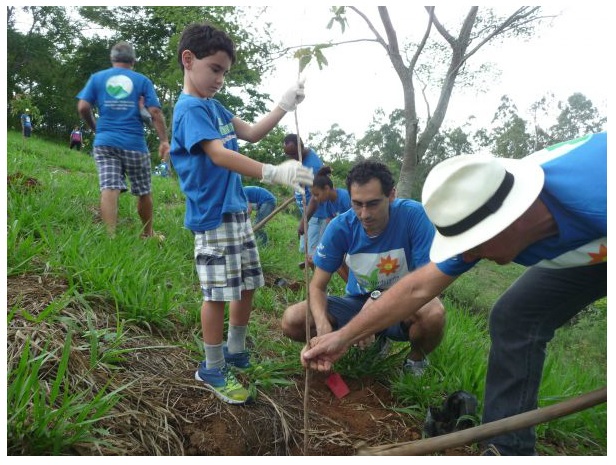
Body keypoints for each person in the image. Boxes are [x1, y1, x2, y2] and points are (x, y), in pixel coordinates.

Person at [301, 132, 607, 455]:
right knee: (515, 317)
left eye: (472, 245)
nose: (467, 256)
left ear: (505, 223)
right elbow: (417, 287)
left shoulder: (597, 195)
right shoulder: (479, 203)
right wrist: (343, 337)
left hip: (595, 227)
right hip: (586, 248)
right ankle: (507, 449)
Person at [170, 22, 312, 405]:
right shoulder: (189, 110)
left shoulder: (215, 107)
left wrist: (284, 105)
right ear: (189, 59)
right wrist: (272, 172)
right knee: (217, 294)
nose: (219, 79)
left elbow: (250, 133)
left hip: (235, 211)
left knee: (247, 283)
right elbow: (218, 154)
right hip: (212, 215)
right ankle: (211, 365)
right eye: (214, 69)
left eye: (224, 73)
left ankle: (235, 349)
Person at [283, 160, 445, 375]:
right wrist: (323, 326)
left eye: (373, 203)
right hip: (357, 303)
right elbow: (317, 286)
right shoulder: (340, 226)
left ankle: (415, 362)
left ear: (392, 195)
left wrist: (377, 297)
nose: (364, 214)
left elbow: (428, 283)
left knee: (433, 312)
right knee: (293, 320)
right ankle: (374, 340)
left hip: (404, 304)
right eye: (357, 204)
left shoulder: (414, 216)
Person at [76, 41, 170, 238]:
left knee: (109, 186)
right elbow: (154, 111)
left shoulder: (98, 78)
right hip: (134, 144)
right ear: (133, 61)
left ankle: (110, 236)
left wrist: (96, 128)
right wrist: (163, 140)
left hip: (105, 142)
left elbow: (83, 107)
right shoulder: (142, 80)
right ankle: (148, 233)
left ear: (112, 59)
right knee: (143, 191)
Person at [297, 165, 351, 281]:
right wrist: (322, 245)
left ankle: (355, 285)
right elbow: (331, 224)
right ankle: (352, 286)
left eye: (316, 194)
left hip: (353, 237)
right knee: (335, 260)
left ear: (326, 189)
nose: (315, 198)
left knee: (343, 259)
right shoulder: (326, 203)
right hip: (345, 237)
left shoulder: (346, 198)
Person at [283, 134, 331, 260]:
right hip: (308, 214)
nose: (291, 158)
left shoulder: (312, 168)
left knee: (313, 253)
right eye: (288, 155)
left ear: (300, 148)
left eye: (293, 154)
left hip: (316, 215)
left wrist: (303, 222)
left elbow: (315, 199)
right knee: (304, 249)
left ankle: (317, 278)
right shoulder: (302, 157)